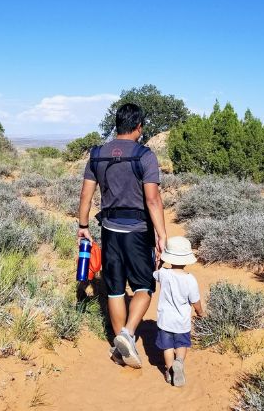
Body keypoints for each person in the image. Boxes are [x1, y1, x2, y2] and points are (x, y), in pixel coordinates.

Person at [77, 103, 168, 369]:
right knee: (144, 287)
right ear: (139, 127)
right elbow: (152, 200)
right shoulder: (145, 155)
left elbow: (86, 194)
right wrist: (162, 236)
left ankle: (119, 349)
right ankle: (127, 334)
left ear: (117, 124)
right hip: (138, 232)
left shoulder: (97, 154)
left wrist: (83, 225)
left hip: (109, 230)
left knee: (115, 290)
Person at [153, 236, 204, 387]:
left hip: (165, 320)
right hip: (182, 321)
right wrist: (200, 312)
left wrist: (160, 261)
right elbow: (195, 301)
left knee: (167, 347)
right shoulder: (190, 280)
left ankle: (169, 372)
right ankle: (179, 362)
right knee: (182, 344)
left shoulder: (164, 274)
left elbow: (155, 272)